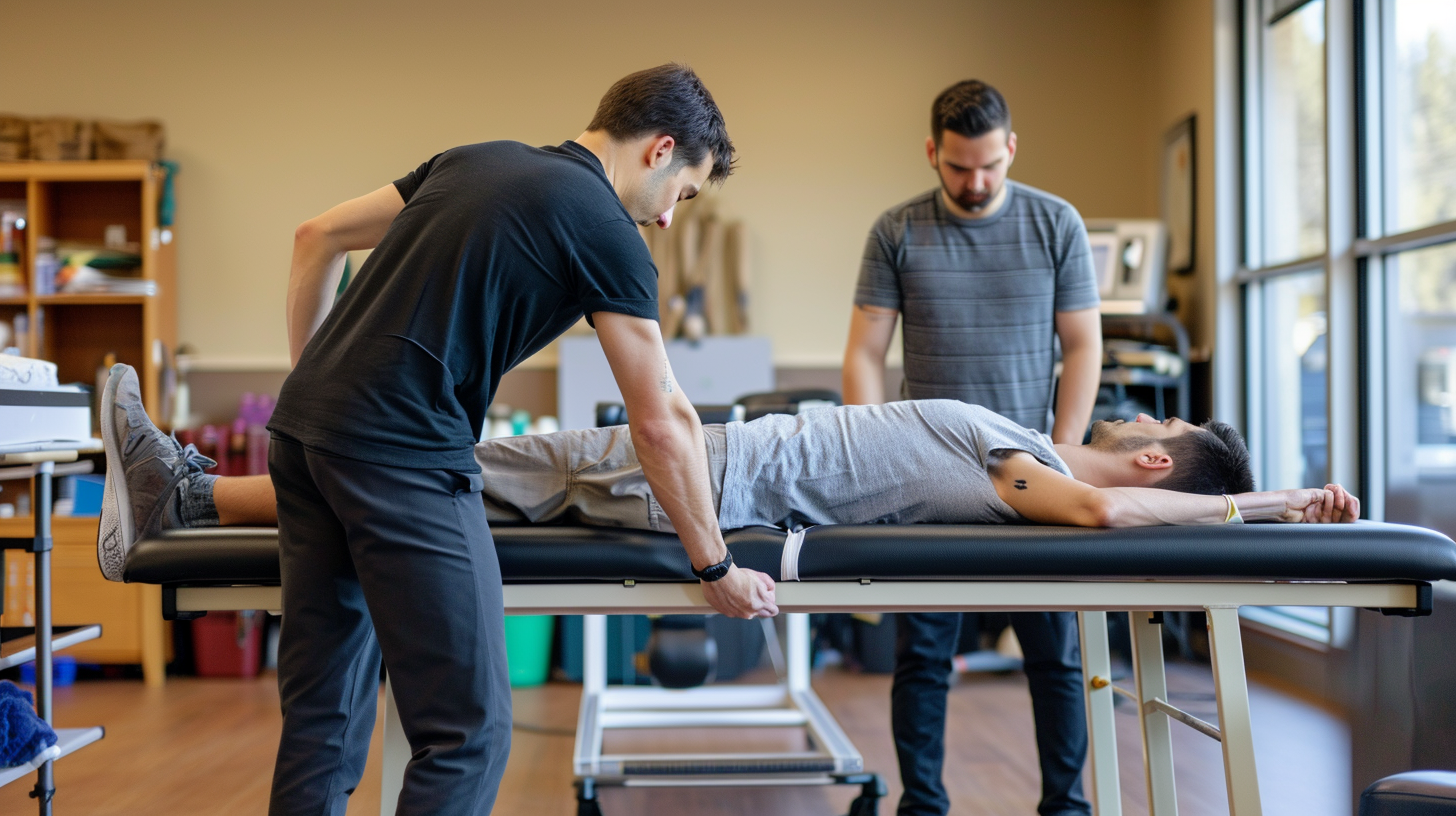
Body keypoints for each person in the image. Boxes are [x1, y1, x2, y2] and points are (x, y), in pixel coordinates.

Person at [98, 65, 777, 816]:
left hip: (302, 436)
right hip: (403, 457)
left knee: (324, 718)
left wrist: (327, 399)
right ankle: (180, 491)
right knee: (468, 734)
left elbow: (314, 236)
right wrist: (715, 564)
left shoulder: (472, 158)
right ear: (660, 149)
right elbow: (660, 420)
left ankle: (183, 491)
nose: (669, 220)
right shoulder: (608, 231)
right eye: (683, 194)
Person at [98, 369, 1359, 540]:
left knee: (436, 467)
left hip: (696, 476)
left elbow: (1088, 519)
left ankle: (191, 494)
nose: (1141, 419)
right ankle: (195, 493)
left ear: (1151, 465)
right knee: (448, 472)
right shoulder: (1025, 445)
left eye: (1159, 432)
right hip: (704, 459)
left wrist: (1264, 508)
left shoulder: (1037, 463)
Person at [841, 80, 1104, 816]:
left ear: (1011, 147)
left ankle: (1067, 807)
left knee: (1056, 657)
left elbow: (1082, 345)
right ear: (933, 153)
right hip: (930, 475)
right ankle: (923, 805)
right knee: (923, 656)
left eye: (990, 164)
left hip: (1035, 469)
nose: (977, 182)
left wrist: (1063, 451)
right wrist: (871, 454)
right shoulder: (897, 230)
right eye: (959, 167)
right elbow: (865, 353)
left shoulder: (1057, 223)